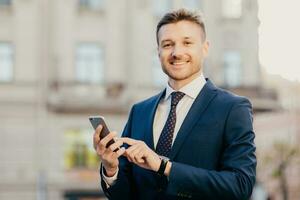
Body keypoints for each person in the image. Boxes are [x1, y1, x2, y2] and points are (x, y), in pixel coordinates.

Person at [93, 9, 256, 200]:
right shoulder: (140, 111)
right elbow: (126, 195)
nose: (177, 53)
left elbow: (241, 185)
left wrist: (164, 167)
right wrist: (111, 169)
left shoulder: (233, 108)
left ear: (205, 48)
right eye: (168, 44)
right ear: (158, 52)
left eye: (187, 43)